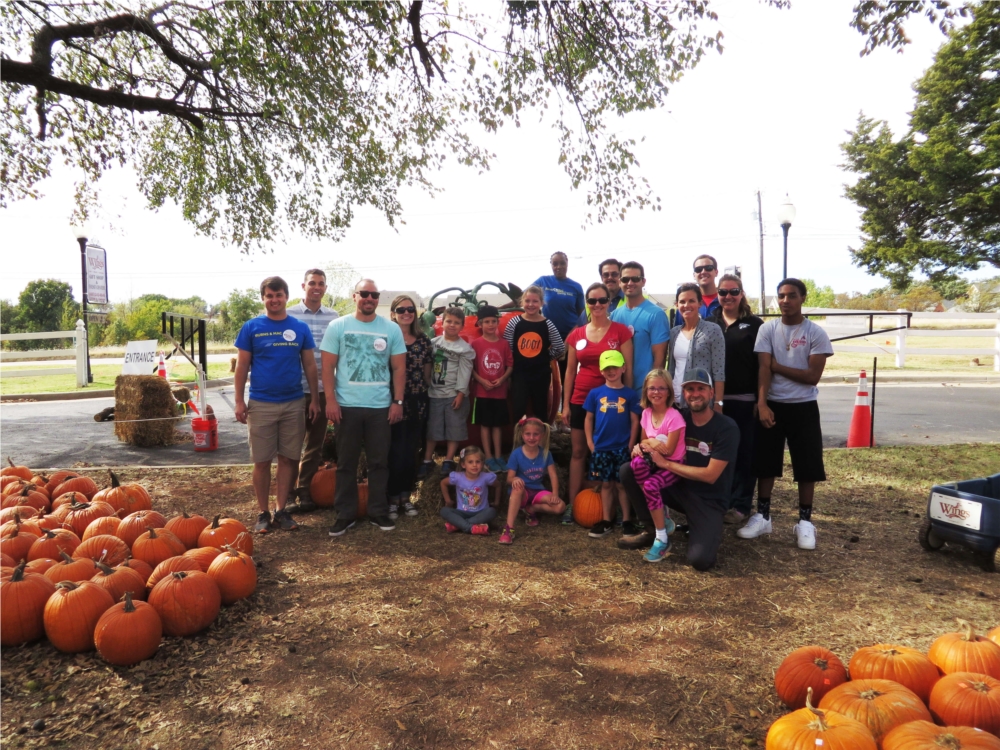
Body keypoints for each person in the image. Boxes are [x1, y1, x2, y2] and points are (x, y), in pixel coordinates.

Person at [737, 278, 833, 551]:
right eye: (781, 296)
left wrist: (777, 365)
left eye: (791, 295)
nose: (785, 301)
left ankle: (805, 522)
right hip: (774, 405)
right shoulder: (768, 329)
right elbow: (763, 369)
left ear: (803, 298)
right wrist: (763, 403)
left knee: (807, 464)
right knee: (765, 462)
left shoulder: (816, 333)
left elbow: (812, 377)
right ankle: (763, 516)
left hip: (803, 406)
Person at [618, 368, 739, 571]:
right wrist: (643, 446)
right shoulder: (678, 417)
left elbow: (710, 476)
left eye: (701, 388)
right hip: (679, 488)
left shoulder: (726, 428)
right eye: (689, 389)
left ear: (711, 393)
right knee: (628, 470)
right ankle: (654, 530)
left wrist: (666, 464)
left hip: (709, 500)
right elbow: (653, 435)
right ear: (683, 393)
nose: (695, 393)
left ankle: (700, 527)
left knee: (700, 560)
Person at [234, 276, 321, 534]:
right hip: (261, 404)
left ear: (286, 296)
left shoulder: (299, 328)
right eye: (269, 296)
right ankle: (263, 512)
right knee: (261, 461)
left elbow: (310, 365)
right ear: (263, 298)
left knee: (289, 459)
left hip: (294, 403)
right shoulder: (251, 327)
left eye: (279, 295)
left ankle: (281, 510)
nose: (274, 300)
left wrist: (315, 398)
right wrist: (239, 400)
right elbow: (242, 366)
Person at [321, 279, 407, 536]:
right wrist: (331, 401)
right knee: (346, 463)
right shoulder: (338, 326)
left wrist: (397, 402)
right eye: (365, 294)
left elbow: (399, 368)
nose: (370, 298)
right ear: (355, 296)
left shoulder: (391, 329)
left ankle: (377, 511)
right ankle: (344, 514)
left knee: (379, 462)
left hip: (380, 407)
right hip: (347, 407)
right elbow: (327, 367)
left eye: (374, 294)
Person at [561, 282, 634, 524]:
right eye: (592, 301)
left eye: (602, 300)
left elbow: (629, 370)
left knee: (616, 452)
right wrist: (565, 405)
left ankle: (619, 509)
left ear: (609, 301)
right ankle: (573, 505)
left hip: (614, 402)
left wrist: (631, 401)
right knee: (579, 452)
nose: (598, 305)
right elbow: (570, 372)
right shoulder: (576, 334)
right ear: (587, 304)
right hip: (581, 399)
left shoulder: (621, 331)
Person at [709, 274, 764, 526]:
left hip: (744, 400)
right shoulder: (710, 324)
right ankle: (720, 501)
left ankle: (741, 504)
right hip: (714, 401)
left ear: (742, 294)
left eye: (733, 292)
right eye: (723, 292)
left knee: (744, 454)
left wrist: (760, 400)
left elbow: (764, 367)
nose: (728, 297)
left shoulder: (755, 325)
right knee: (717, 453)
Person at [285, 269, 339, 514]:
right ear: (303, 286)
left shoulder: (334, 317)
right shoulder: (289, 314)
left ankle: (305, 489)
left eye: (321, 284)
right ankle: (287, 493)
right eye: (312, 283)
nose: (316, 287)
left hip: (322, 390)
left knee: (314, 445)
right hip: (294, 389)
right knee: (291, 444)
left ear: (325, 288)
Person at [582, 350, 641, 539]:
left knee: (622, 485)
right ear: (601, 370)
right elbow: (588, 419)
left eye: (615, 366)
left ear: (623, 368)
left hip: (622, 448)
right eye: (607, 368)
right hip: (601, 448)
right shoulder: (595, 393)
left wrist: (630, 445)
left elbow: (634, 422)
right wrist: (591, 443)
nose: (611, 371)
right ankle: (606, 520)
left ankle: (626, 520)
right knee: (606, 484)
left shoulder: (630, 395)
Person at [629, 369, 686, 561]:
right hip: (655, 462)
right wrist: (640, 446)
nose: (656, 392)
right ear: (646, 391)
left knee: (651, 485)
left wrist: (649, 443)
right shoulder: (646, 413)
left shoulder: (674, 417)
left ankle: (661, 539)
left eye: (661, 388)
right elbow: (644, 442)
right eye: (652, 388)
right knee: (636, 463)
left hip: (672, 465)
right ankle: (661, 513)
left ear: (669, 391)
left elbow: (668, 451)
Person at [385, 294, 433, 520]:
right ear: (393, 313)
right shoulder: (386, 338)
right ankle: (392, 498)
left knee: (411, 450)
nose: (406, 313)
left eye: (410, 310)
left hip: (417, 400)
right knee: (394, 451)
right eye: (401, 309)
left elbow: (427, 373)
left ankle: (406, 497)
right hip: (392, 401)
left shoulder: (423, 340)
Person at [421, 306, 476, 477]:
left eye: (457, 323)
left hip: (454, 395)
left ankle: (449, 460)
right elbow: (426, 364)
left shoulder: (465, 349)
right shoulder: (433, 344)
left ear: (462, 326)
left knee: (455, 428)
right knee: (433, 428)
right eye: (449, 321)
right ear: (442, 323)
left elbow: (465, 372)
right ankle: (427, 460)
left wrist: (461, 393)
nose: (452, 325)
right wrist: (427, 381)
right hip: (434, 393)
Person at [503, 285, 565, 423]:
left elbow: (560, 347)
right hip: (519, 374)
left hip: (540, 375)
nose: (531, 304)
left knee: (540, 410)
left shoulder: (547, 324)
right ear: (522, 302)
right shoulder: (514, 322)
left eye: (535, 301)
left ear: (542, 303)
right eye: (527, 301)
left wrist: (543, 357)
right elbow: (508, 348)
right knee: (518, 410)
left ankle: (541, 442)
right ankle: (518, 443)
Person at [499, 417, 564, 545]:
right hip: (522, 492)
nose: (531, 437)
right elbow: (508, 479)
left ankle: (531, 509)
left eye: (536, 434)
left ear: (542, 435)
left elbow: (553, 476)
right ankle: (508, 529)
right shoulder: (516, 454)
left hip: (537, 491)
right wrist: (515, 479)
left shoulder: (546, 453)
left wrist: (555, 494)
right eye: (528, 434)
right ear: (522, 435)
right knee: (517, 488)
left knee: (560, 507)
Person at [609, 260, 670, 387]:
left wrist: (652, 389)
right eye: (625, 279)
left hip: (644, 390)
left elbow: (659, 358)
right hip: (618, 389)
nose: (630, 283)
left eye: (635, 279)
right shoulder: (615, 315)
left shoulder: (656, 314)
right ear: (620, 282)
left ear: (643, 281)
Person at [668, 283, 726, 410]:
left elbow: (719, 371)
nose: (686, 305)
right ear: (676, 305)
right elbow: (671, 368)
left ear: (700, 303)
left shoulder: (713, 330)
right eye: (682, 301)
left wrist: (718, 403)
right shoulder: (674, 332)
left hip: (701, 403)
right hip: (675, 401)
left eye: (691, 301)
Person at [470, 304, 513, 473]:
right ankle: (488, 456)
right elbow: (471, 368)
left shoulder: (503, 344)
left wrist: (502, 379)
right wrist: (481, 381)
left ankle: (498, 455)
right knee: (485, 425)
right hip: (482, 392)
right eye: (486, 321)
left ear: (497, 323)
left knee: (497, 425)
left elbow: (510, 365)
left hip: (499, 392)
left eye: (493, 321)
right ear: (480, 324)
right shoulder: (476, 344)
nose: (490, 324)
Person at [532, 251, 584, 380]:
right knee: (546, 376)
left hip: (570, 339)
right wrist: (499, 308)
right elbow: (524, 297)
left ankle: (566, 401)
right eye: (555, 264)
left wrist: (567, 343)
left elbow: (582, 318)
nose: (558, 266)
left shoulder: (576, 287)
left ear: (567, 264)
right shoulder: (543, 281)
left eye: (562, 263)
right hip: (547, 337)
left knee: (567, 375)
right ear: (551, 265)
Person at [439, 446, 498, 535]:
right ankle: (471, 528)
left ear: (482, 463)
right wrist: (448, 500)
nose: (474, 465)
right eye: (470, 462)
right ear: (463, 464)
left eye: (478, 462)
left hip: (480, 512)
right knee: (444, 511)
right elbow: (443, 483)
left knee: (492, 512)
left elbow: (498, 485)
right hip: (462, 512)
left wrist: (496, 502)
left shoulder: (486, 477)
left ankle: (458, 525)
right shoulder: (457, 477)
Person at [670, 255, 722, 326]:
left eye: (708, 268)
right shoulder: (685, 304)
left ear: (716, 272)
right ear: (694, 275)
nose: (703, 272)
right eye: (698, 269)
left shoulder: (725, 300)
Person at [576, 258, 625, 325]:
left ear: (620, 276)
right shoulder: (591, 303)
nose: (610, 277)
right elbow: (579, 329)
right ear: (602, 278)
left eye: (614, 274)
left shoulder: (631, 301)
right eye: (606, 275)